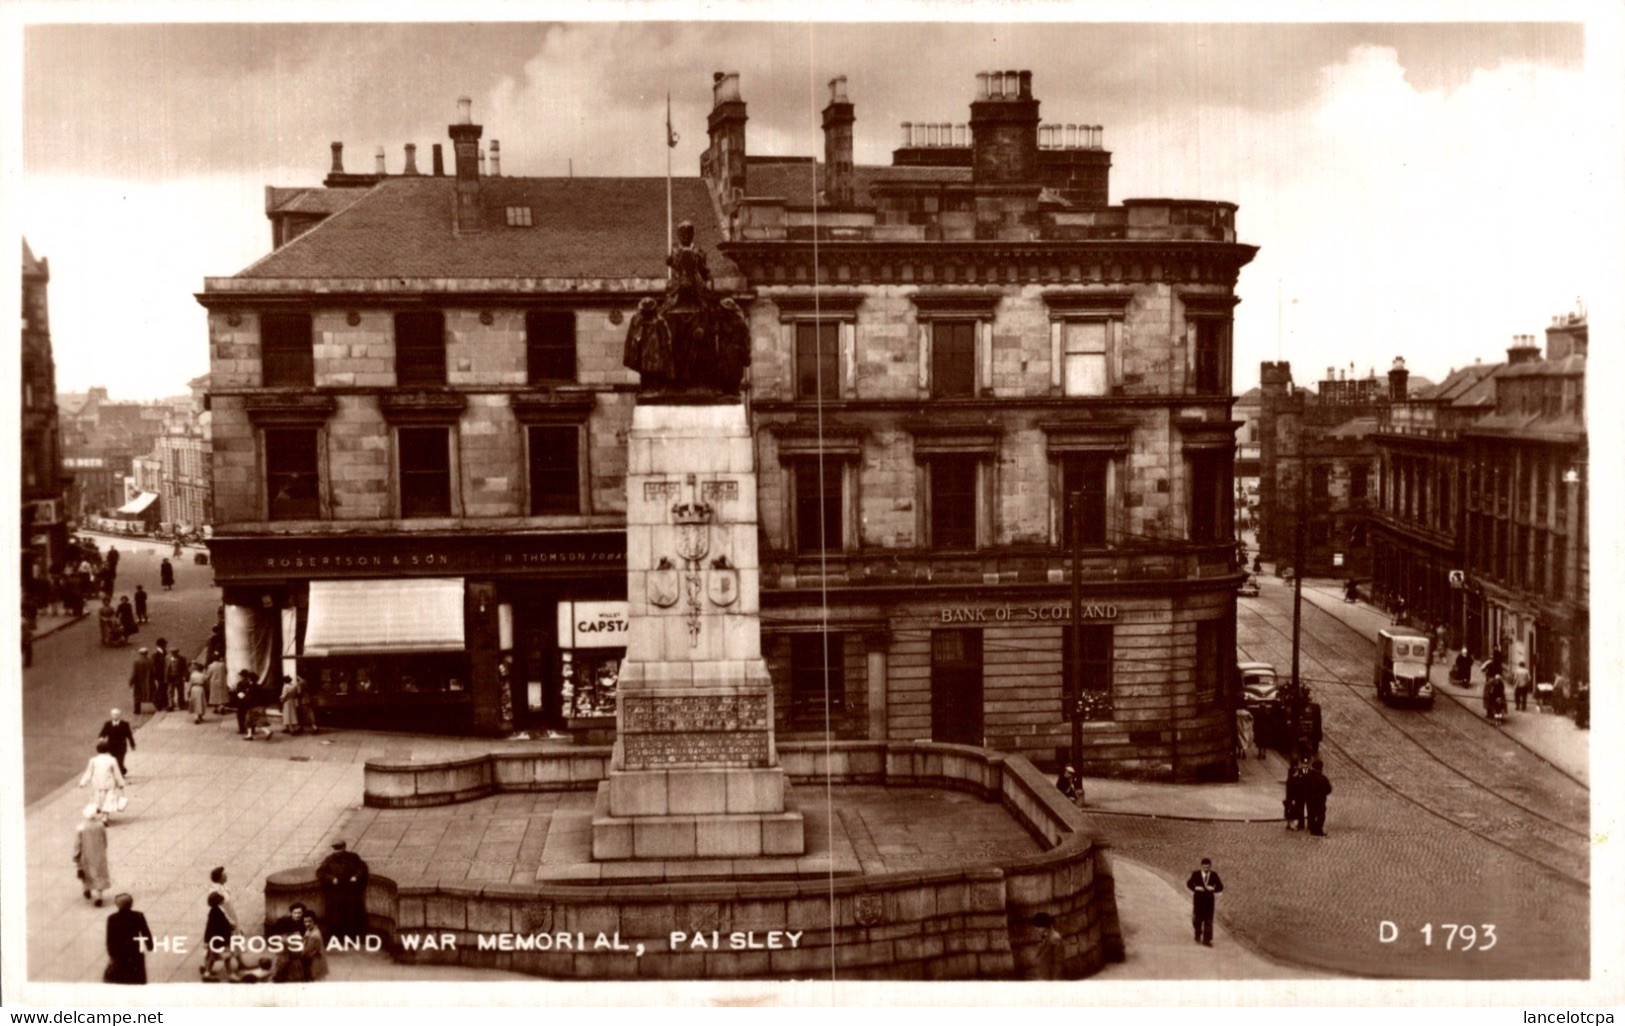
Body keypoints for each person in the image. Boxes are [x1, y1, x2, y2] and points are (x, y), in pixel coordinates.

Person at [317, 840, 370, 942]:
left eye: (340, 849)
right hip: (336, 893)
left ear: (344, 848)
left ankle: (353, 937)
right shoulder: (329, 859)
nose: (338, 851)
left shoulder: (353, 857)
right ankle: (338, 937)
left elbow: (362, 868)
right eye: (336, 849)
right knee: (337, 916)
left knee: (352, 915)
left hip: (351, 892)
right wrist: (331, 878)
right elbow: (320, 872)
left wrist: (356, 876)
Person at [104, 893, 153, 984]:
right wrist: (150, 945)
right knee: (137, 976)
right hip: (135, 951)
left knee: (121, 978)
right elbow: (145, 932)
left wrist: (111, 954)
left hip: (119, 953)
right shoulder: (138, 916)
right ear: (131, 904)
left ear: (117, 905)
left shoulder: (112, 918)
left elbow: (110, 938)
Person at [75, 805, 112, 906]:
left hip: (85, 854)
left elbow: (77, 843)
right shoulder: (100, 825)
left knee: (86, 872)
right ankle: (99, 896)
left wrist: (76, 855)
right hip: (99, 853)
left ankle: (86, 888)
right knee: (99, 874)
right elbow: (104, 840)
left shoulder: (81, 826)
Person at [79, 740, 126, 817]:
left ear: (97, 750)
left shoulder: (93, 760)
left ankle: (97, 809)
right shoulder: (112, 760)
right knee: (109, 799)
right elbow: (117, 773)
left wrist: (83, 782)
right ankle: (105, 816)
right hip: (109, 783)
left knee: (98, 799)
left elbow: (89, 772)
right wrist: (120, 784)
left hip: (97, 783)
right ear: (108, 750)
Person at [1185, 858, 1224, 946]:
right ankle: (1198, 933)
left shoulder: (1214, 875)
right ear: (1201, 866)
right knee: (1197, 919)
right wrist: (1195, 888)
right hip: (1198, 900)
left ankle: (1207, 940)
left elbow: (1220, 887)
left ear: (1210, 867)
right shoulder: (1196, 874)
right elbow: (1189, 884)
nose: (1206, 869)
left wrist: (1213, 889)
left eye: (1208, 868)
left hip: (1209, 901)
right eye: (1204, 868)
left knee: (1208, 920)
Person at [200, 891, 236, 981]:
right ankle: (231, 975)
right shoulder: (217, 912)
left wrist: (207, 940)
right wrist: (231, 926)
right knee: (227, 957)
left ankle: (207, 973)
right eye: (221, 898)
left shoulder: (215, 910)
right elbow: (221, 926)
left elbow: (209, 927)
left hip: (214, 941)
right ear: (218, 901)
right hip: (221, 940)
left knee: (212, 957)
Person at [1026, 912, 1066, 980]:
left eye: (1038, 928)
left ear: (1045, 926)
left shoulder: (1055, 938)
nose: (1036, 930)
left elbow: (1058, 964)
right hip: (1044, 977)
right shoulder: (1045, 937)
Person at [98, 709, 137, 776]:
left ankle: (120, 774)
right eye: (113, 714)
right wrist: (101, 738)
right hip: (111, 746)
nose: (115, 716)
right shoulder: (108, 724)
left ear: (119, 715)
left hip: (121, 746)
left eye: (117, 715)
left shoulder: (124, 724)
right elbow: (103, 733)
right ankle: (123, 770)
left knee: (120, 760)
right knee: (114, 760)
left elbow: (129, 735)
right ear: (111, 715)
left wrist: (132, 745)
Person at [1301, 758, 1333, 837]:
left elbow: (1304, 787)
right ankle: (1318, 830)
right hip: (1320, 799)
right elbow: (1329, 789)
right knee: (1321, 815)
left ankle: (1312, 829)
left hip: (1310, 799)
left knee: (1311, 813)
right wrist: (1323, 794)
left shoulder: (1308, 777)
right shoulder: (1323, 778)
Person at [1283, 756, 1307, 831]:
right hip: (1293, 794)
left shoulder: (1291, 773)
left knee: (1289, 808)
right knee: (1293, 809)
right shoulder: (1295, 772)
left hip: (1290, 794)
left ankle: (1289, 823)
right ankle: (1293, 824)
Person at [150, 641, 170, 711]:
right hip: (159, 675)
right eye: (165, 644)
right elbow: (153, 666)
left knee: (164, 688)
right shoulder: (156, 654)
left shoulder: (164, 651)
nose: (166, 645)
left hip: (164, 674)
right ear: (161, 645)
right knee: (161, 689)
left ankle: (164, 703)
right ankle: (158, 703)